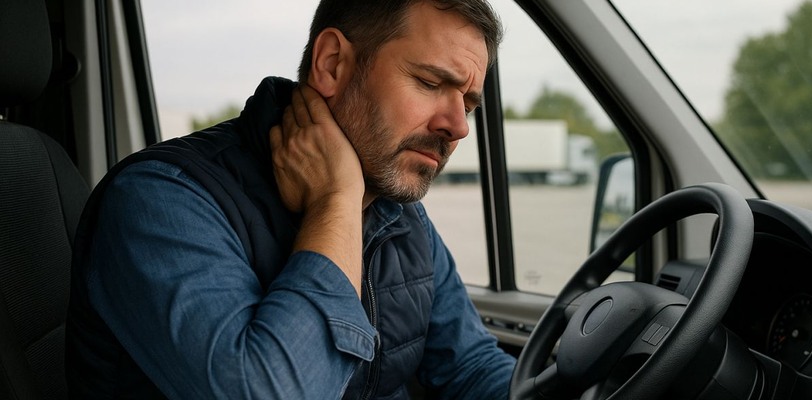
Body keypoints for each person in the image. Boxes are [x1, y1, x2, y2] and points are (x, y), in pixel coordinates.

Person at [65, 0, 516, 398]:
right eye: (430, 82)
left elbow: (471, 367)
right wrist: (335, 201)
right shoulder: (161, 200)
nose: (458, 126)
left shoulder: (401, 216)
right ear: (333, 64)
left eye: (469, 105)